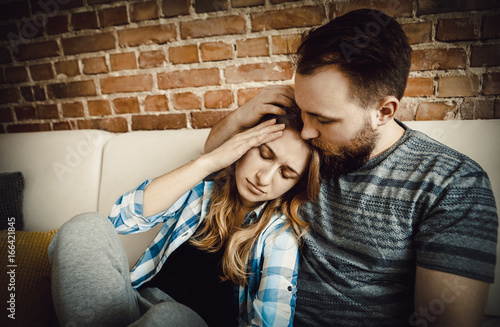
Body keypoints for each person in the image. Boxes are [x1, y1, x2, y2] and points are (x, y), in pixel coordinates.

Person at [204, 9, 498, 327]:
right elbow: (215, 158)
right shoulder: (307, 150)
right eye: (304, 112)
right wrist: (240, 116)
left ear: (383, 111)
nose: (306, 132)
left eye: (324, 119)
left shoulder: (452, 183)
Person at [48, 106, 321, 327]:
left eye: (286, 174)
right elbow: (122, 218)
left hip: (179, 322)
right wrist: (209, 161)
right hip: (133, 308)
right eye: (263, 154)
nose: (264, 178)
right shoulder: (202, 191)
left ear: (294, 185)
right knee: (86, 226)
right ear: (242, 146)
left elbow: (270, 322)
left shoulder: (279, 236)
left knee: (166, 318)